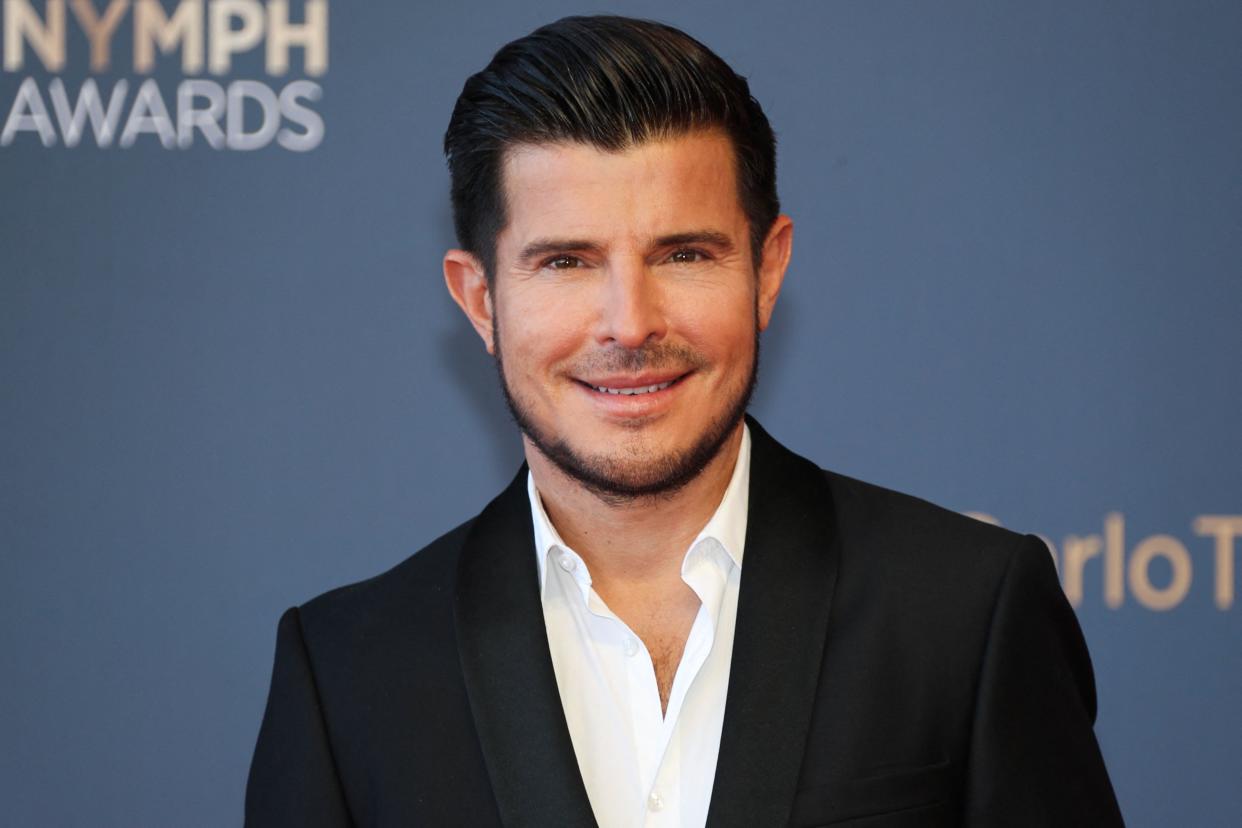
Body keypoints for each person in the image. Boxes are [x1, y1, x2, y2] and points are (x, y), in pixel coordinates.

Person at [245, 15, 1124, 827]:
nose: (630, 323)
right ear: (480, 300)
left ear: (767, 270)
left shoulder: (966, 610)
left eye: (685, 255)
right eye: (565, 262)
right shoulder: (349, 675)